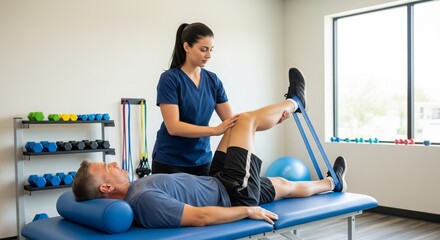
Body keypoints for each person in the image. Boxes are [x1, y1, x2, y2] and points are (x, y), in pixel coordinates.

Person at [72, 68, 347, 228]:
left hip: (217, 181)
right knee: (247, 120)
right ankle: (296, 102)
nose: (116, 164)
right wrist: (246, 211)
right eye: (109, 167)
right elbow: (199, 217)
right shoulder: (143, 201)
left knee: (281, 181)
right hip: (232, 194)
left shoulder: (135, 190)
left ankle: (332, 183)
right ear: (106, 188)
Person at [152, 22, 288, 176]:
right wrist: (215, 130)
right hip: (170, 162)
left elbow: (234, 122)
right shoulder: (170, 79)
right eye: (203, 50)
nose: (209, 55)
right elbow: (173, 127)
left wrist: (275, 120)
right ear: (186, 47)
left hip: (202, 161)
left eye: (211, 50)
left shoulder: (212, 80)